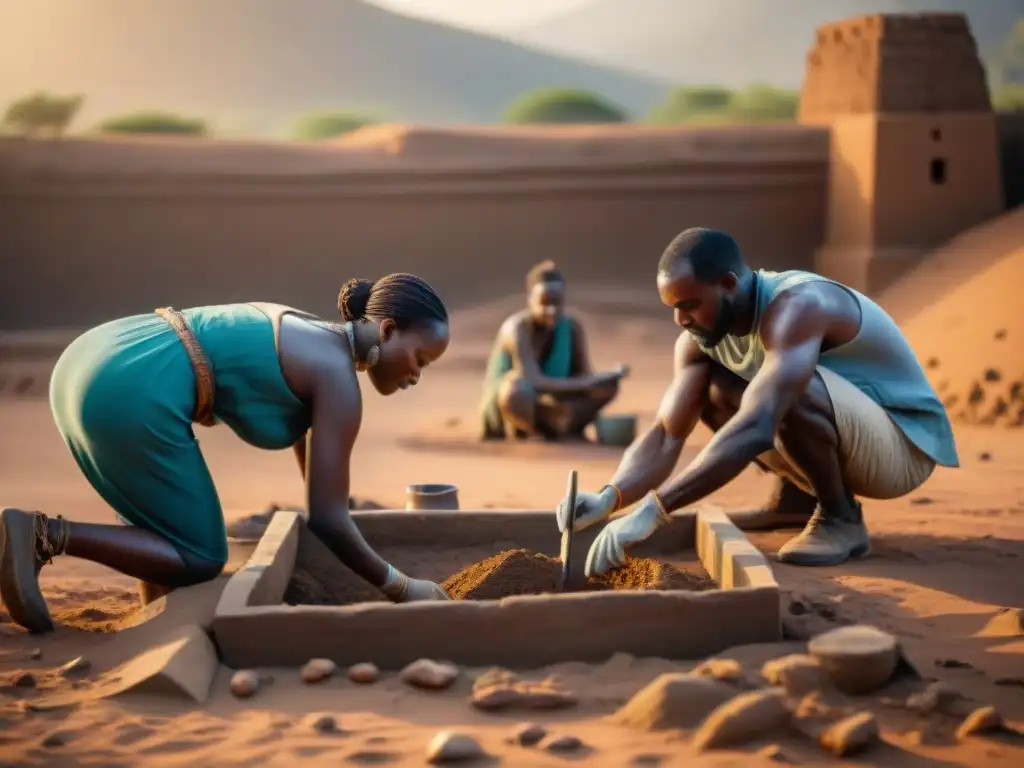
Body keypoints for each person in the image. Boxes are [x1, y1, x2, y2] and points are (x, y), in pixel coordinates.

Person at [0, 273, 455, 634]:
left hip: (92, 359)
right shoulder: (338, 378)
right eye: (421, 359)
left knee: (161, 524)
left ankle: (155, 620)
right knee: (201, 554)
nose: (417, 375)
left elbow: (310, 455)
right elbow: (329, 518)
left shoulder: (312, 334)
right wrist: (402, 586)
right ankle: (42, 535)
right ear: (389, 330)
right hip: (129, 389)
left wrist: (331, 503)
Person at [557, 228, 958, 575]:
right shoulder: (700, 341)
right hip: (848, 434)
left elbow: (760, 422)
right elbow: (666, 434)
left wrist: (655, 510)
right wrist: (612, 496)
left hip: (903, 446)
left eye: (689, 304)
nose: (680, 320)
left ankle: (841, 518)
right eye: (673, 308)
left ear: (729, 284)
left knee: (784, 390)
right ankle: (797, 498)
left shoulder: (796, 308)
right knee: (719, 389)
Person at [479, 260, 628, 441]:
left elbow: (584, 374)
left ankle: (565, 425)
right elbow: (532, 380)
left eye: (557, 303)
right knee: (517, 391)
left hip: (557, 399)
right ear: (530, 300)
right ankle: (531, 428)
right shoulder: (516, 328)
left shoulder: (572, 327)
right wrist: (586, 383)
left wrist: (602, 383)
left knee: (606, 386)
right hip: (516, 403)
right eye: (544, 302)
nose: (551, 310)